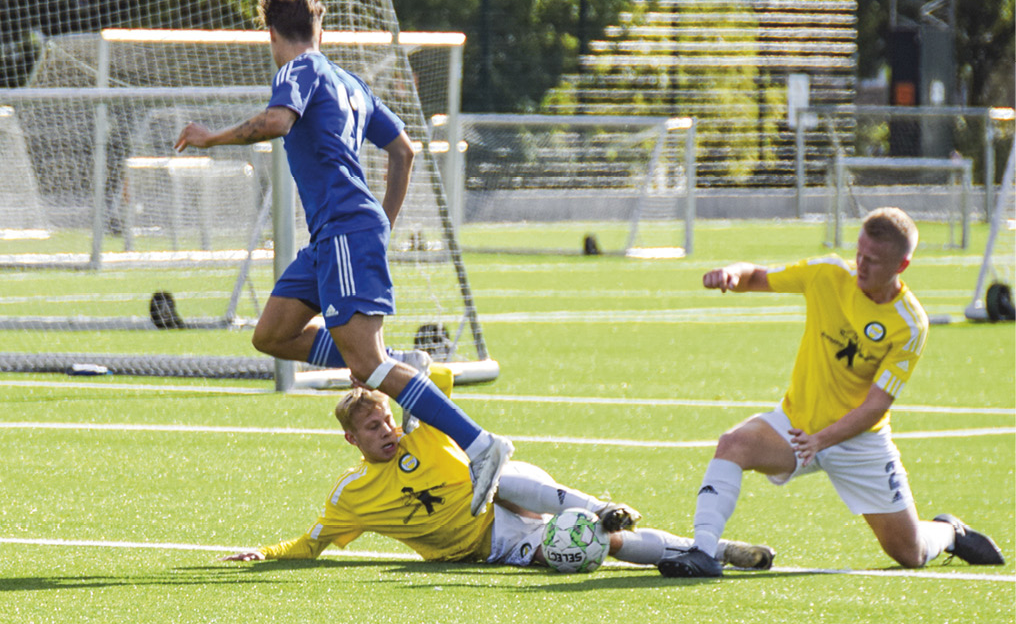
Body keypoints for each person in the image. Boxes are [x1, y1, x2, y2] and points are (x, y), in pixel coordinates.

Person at [173, 0, 511, 516]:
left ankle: (480, 444)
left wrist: (210, 137)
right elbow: (402, 149)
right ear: (319, 30)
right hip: (334, 237)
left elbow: (276, 123)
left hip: (345, 230)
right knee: (273, 335)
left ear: (271, 35)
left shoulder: (298, 69)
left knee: (368, 366)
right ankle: (405, 364)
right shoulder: (348, 81)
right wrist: (383, 224)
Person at [658, 207, 1005, 578]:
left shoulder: (909, 323)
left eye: (872, 261)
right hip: (797, 425)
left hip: (860, 442)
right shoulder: (828, 273)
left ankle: (949, 532)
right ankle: (703, 552)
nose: (861, 266)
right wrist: (731, 275)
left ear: (901, 266)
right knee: (733, 444)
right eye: (859, 253)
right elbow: (756, 276)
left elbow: (876, 406)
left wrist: (821, 440)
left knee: (910, 553)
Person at [221, 365, 775, 572]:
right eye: (373, 429)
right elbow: (310, 543)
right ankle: (712, 554)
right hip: (488, 545)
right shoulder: (353, 496)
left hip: (497, 494)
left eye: (388, 420)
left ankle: (598, 507)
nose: (388, 431)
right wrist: (263, 555)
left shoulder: (425, 430)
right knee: (595, 548)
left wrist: (392, 371)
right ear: (351, 439)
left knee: (507, 477)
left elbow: (433, 379)